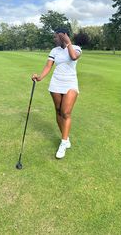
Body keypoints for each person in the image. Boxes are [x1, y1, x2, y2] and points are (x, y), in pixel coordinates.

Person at [32, 29, 82, 159]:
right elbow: (48, 66)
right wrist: (40, 77)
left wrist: (68, 43)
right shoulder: (54, 51)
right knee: (59, 111)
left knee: (66, 112)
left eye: (57, 37)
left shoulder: (76, 48)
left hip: (70, 83)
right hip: (56, 84)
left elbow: (74, 57)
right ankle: (65, 138)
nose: (55, 39)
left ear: (63, 36)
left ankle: (63, 143)